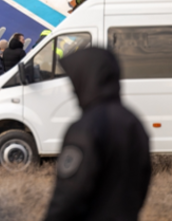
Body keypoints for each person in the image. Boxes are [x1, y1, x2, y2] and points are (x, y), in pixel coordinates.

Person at [44, 48, 151, 221]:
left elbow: (69, 193)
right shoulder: (134, 122)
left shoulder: (85, 128)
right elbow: (142, 184)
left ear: (86, 79)